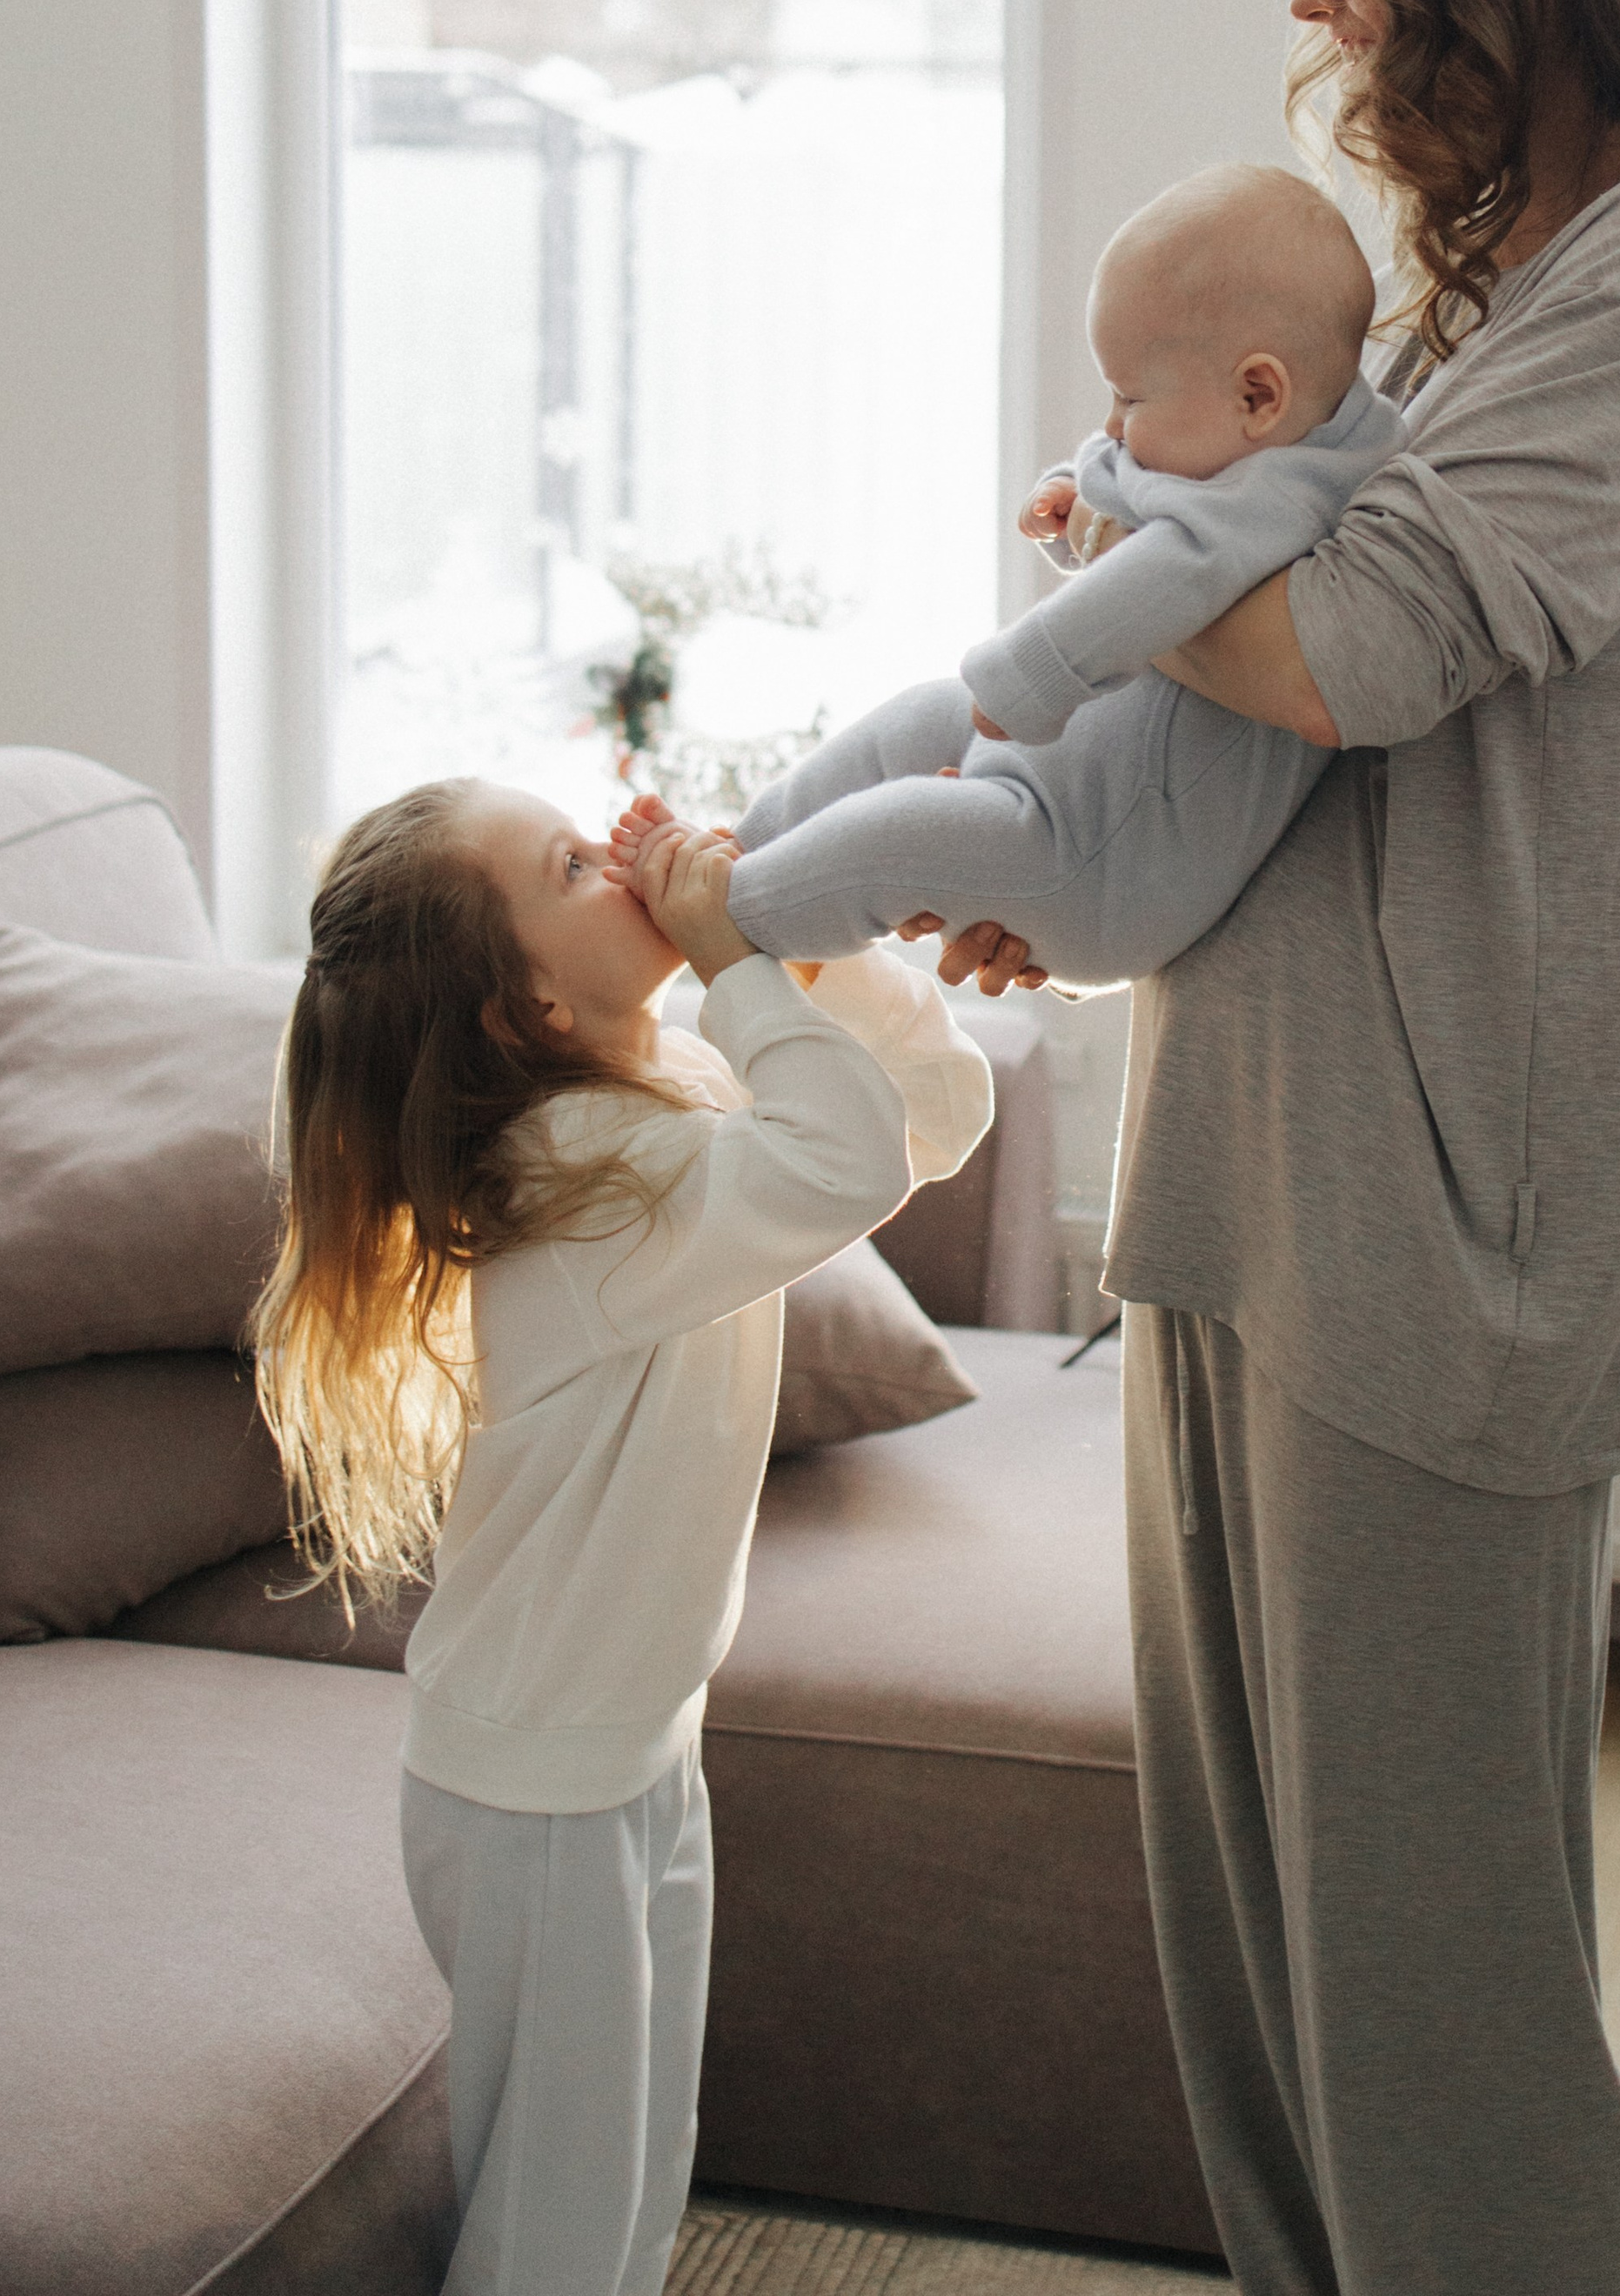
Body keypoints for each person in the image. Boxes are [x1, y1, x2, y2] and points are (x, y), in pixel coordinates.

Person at [942, 0, 1620, 2292]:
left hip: (1452, 1233)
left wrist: (1136, 520)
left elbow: (1349, 655)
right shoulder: (1497, 296)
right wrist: (1089, 846)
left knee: (1431, 1995)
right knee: (1259, 1971)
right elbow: (1309, 758)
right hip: (1268, 1177)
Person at [251, 780, 992, 2296]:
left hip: (629, 1734)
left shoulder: (668, 1091)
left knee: (641, 2154)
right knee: (561, 2200)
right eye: (574, 865)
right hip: (537, 1784)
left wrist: (794, 954)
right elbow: (844, 1163)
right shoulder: (576, 1179)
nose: (620, 853)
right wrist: (734, 956)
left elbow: (930, 1118)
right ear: (528, 1001)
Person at [713, 164, 1404, 986]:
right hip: (1062, 795)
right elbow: (1137, 512)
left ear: (1259, 392)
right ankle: (740, 846)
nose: (1112, 425)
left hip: (1095, 863)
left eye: (1128, 399)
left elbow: (1161, 579)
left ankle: (730, 915)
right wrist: (1083, 504)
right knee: (919, 718)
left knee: (906, 832)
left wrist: (1024, 676)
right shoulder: (1263, 438)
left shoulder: (1294, 492)